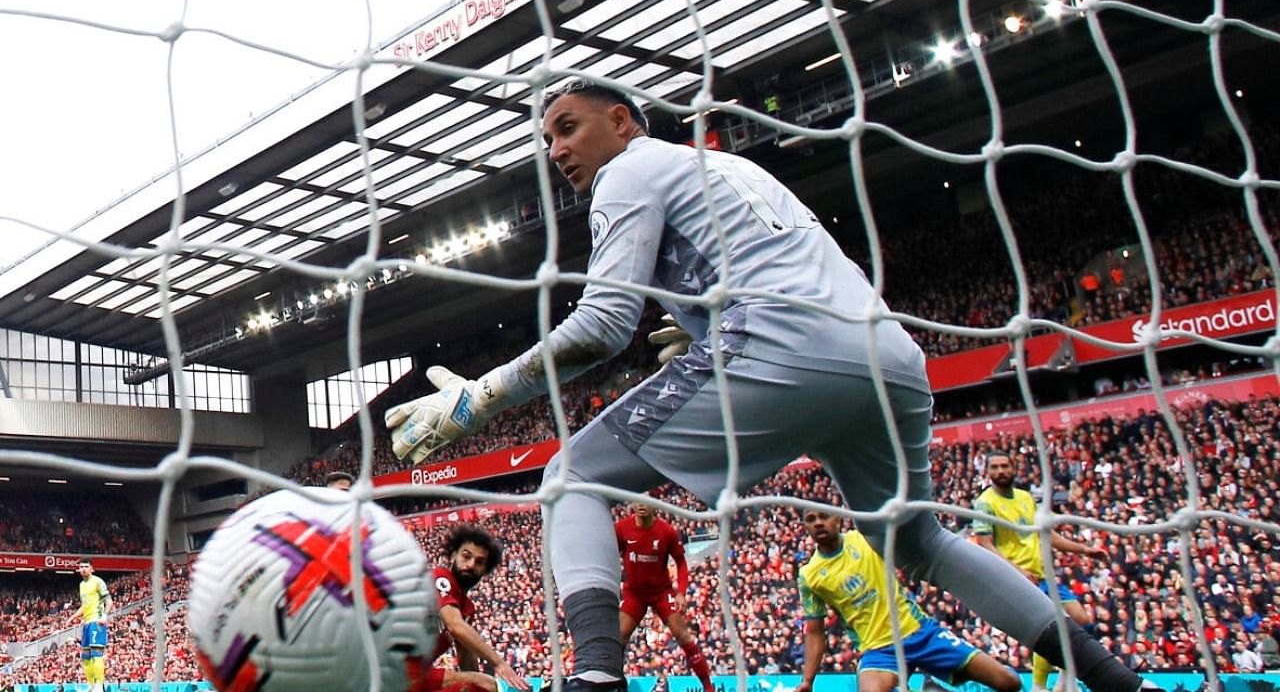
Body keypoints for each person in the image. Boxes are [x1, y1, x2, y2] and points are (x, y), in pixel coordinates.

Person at [384, 78, 1149, 692]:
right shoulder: (738, 169)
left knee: (571, 476)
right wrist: (702, 318)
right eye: (546, 139)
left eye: (567, 128)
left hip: (780, 352)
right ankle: (1119, 682)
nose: (555, 149)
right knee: (917, 539)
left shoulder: (630, 169)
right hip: (887, 358)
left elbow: (603, 326)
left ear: (621, 121)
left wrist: (479, 396)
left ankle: (593, 676)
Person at [795, 509, 1021, 692]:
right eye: (810, 520)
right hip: (878, 650)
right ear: (805, 527)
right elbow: (815, 631)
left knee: (1009, 683)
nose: (818, 523)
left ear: (838, 518)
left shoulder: (867, 537)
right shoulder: (809, 575)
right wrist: (807, 680)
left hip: (920, 632)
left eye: (823, 516)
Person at [973, 452, 1111, 692]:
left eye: (1005, 465)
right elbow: (984, 543)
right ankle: (1040, 685)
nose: (1000, 471)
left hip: (1040, 574)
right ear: (987, 472)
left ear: (1014, 468)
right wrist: (1016, 571)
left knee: (1081, 619)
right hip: (1014, 577)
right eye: (994, 467)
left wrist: (1085, 550)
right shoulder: (985, 503)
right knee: (1051, 628)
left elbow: (1046, 534)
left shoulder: (1026, 498)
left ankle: (1063, 680)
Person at [616, 501, 713, 691]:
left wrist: (681, 593)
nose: (641, 506)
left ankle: (709, 687)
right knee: (619, 637)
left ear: (654, 505)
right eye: (637, 502)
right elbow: (610, 554)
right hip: (634, 593)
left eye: (645, 502)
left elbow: (681, 563)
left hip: (661, 592)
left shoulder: (666, 531)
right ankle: (616, 684)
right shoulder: (621, 529)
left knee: (682, 635)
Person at [426, 525, 530, 692]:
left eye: (479, 562)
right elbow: (454, 625)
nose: (470, 564)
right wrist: (499, 663)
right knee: (484, 684)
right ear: (453, 555)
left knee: (480, 686)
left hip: (414, 676)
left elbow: (467, 663)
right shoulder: (440, 577)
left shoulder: (467, 609)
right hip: (392, 668)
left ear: (485, 571)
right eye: (466, 556)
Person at [69, 558, 112, 692]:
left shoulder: (98, 581)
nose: (83, 569)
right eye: (81, 567)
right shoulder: (82, 585)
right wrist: (72, 617)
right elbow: (85, 605)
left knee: (96, 654)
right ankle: (91, 685)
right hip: (87, 623)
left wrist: (104, 616)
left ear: (92, 569)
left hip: (96, 622)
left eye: (86, 566)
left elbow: (109, 601)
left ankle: (99, 685)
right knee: (85, 657)